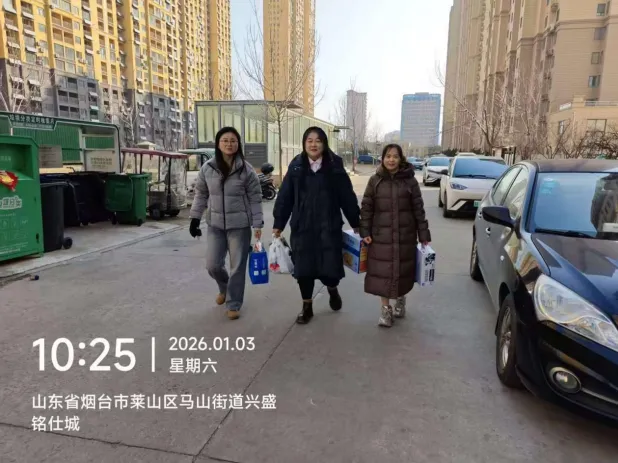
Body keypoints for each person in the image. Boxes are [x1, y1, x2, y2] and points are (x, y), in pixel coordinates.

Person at [273, 126, 361, 324]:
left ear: (324, 144)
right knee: (303, 270)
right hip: (302, 227)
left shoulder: (335, 166)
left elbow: (347, 197)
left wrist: (356, 222)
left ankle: (332, 289)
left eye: (318, 141)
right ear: (304, 144)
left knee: (330, 268)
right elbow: (285, 197)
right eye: (310, 140)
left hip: (329, 227)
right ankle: (307, 306)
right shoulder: (296, 167)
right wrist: (279, 223)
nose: (313, 144)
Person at [189, 127, 264, 320]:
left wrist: (257, 224)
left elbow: (255, 198)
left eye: (233, 140)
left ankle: (233, 303)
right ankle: (224, 287)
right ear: (218, 144)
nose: (229, 144)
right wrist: (195, 218)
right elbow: (201, 194)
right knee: (212, 265)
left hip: (240, 226)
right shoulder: (208, 168)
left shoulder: (246, 170)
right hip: (215, 225)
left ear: (238, 144)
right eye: (225, 140)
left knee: (237, 267)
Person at [359, 144, 431, 328]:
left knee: (402, 271)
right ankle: (385, 310)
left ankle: (400, 299)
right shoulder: (375, 180)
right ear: (382, 158)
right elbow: (366, 208)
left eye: (395, 156)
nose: (391, 160)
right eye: (388, 156)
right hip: (380, 237)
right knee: (383, 273)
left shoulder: (410, 181)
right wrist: (365, 231)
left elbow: (418, 209)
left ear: (401, 159)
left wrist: (423, 233)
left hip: (405, 236)